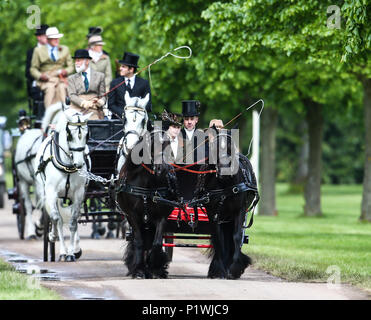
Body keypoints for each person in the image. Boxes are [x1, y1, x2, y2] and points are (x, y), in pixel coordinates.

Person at [30, 27, 74, 108]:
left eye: (57, 38)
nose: (57, 40)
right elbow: (33, 69)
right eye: (54, 38)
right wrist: (40, 76)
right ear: (48, 40)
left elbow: (71, 66)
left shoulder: (65, 49)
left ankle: (66, 111)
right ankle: (50, 114)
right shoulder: (38, 50)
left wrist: (66, 71)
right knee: (50, 88)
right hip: (47, 79)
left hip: (61, 78)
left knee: (62, 88)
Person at [108, 51, 152, 119]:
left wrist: (135, 113)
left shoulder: (144, 83)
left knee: (157, 125)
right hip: (119, 120)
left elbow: (148, 105)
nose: (120, 68)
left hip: (138, 120)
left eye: (123, 67)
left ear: (131, 69)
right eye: (121, 66)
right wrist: (124, 114)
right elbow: (111, 105)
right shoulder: (115, 83)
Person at [67, 49, 106, 120]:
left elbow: (103, 95)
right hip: (76, 111)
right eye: (75, 61)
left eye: (78, 60)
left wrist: (100, 101)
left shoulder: (100, 76)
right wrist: (83, 103)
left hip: (94, 111)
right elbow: (72, 95)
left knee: (96, 125)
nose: (76, 63)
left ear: (87, 61)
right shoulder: (71, 78)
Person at [26, 24, 49, 101]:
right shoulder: (31, 52)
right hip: (38, 83)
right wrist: (40, 76)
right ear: (38, 37)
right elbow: (28, 72)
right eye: (45, 36)